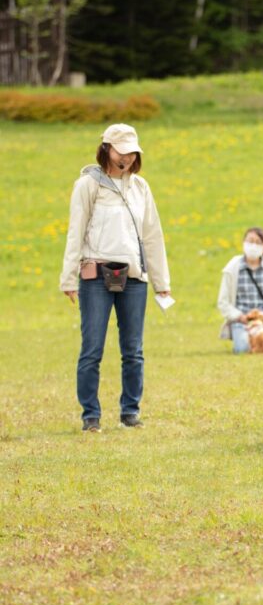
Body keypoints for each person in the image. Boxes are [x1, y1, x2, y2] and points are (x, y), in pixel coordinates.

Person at [60, 123, 171, 432]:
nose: (128, 158)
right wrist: (68, 278)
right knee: (92, 348)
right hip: (96, 274)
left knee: (133, 350)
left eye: (133, 153)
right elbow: (75, 232)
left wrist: (162, 284)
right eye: (122, 151)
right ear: (106, 149)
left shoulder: (141, 188)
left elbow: (153, 236)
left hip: (133, 275)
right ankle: (90, 416)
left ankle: (130, 412)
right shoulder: (88, 185)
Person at [217, 227, 263, 353]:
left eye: (258, 242)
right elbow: (223, 302)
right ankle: (252, 336)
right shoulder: (232, 268)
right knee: (242, 349)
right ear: (243, 242)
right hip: (242, 319)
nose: (253, 245)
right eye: (250, 241)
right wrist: (239, 316)